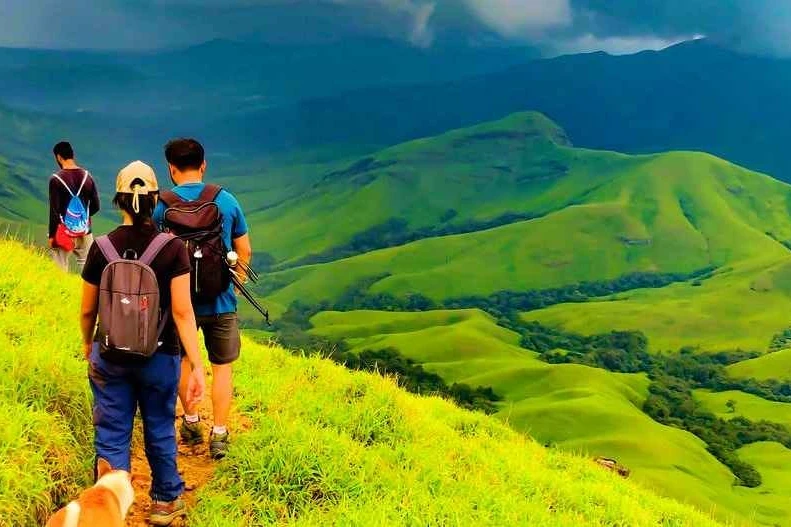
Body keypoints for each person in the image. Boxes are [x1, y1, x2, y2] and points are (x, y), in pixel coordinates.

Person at [80, 161, 207, 526]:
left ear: (119, 200)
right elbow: (183, 312)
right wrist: (196, 365)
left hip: (109, 354)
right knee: (159, 427)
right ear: (155, 200)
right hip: (160, 355)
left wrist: (88, 345)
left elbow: (88, 311)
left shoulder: (101, 248)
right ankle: (166, 501)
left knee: (112, 431)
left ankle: (107, 510)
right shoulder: (172, 248)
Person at [154, 138, 252, 460]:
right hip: (221, 300)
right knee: (222, 368)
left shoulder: (161, 207)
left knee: (183, 361)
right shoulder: (226, 201)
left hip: (179, 305)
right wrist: (232, 287)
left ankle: (192, 422)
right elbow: (244, 251)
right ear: (203, 164)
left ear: (171, 168)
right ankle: (220, 434)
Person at [49, 142, 100, 272]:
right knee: (88, 271)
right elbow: (96, 206)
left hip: (63, 232)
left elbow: (54, 211)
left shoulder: (56, 179)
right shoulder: (88, 176)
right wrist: (82, 219)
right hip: (85, 231)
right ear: (72, 155)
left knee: (60, 269)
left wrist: (52, 236)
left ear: (59, 157)